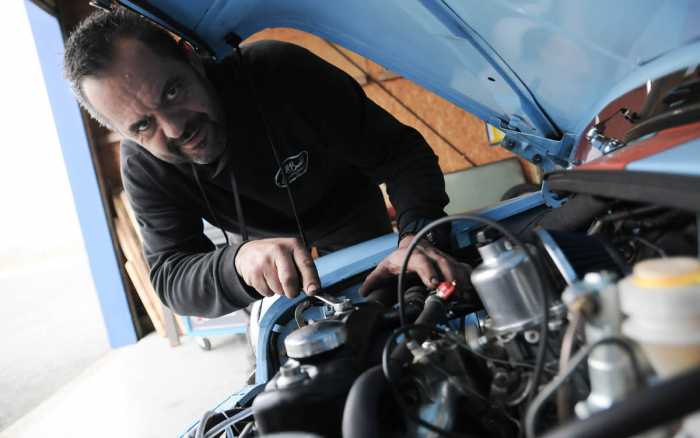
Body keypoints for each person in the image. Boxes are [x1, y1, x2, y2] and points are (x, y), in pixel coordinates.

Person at [63, 8, 470, 318]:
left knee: (392, 309)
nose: (173, 130)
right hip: (264, 253)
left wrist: (418, 236)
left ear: (191, 57)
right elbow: (170, 273)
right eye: (142, 124)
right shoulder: (143, 165)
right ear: (122, 131)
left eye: (171, 92)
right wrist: (236, 264)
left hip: (349, 213)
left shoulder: (281, 73)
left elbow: (400, 153)